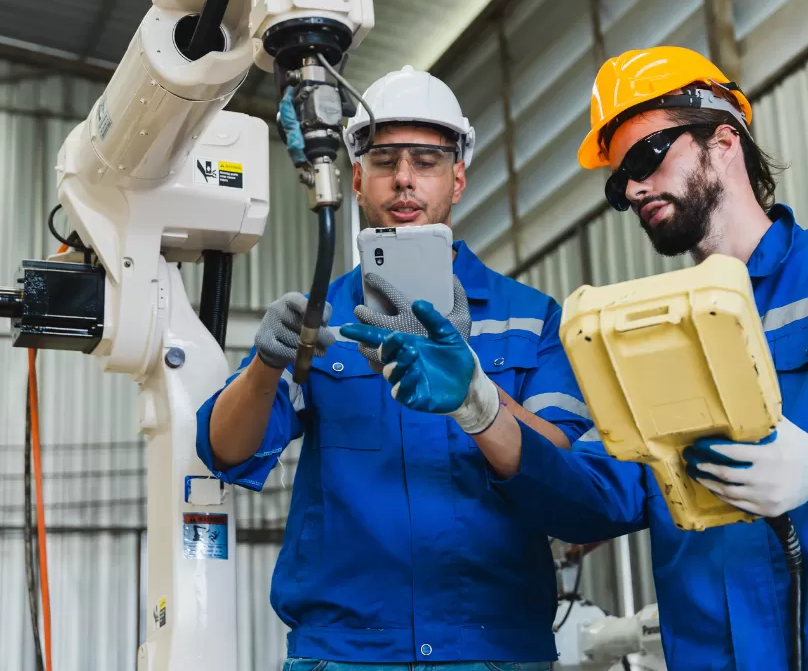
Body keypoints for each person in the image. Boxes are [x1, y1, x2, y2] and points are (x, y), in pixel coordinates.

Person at [341, 48, 808, 670]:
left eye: (646, 158)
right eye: (619, 185)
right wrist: (481, 406)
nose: (633, 191)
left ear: (723, 140)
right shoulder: (641, 334)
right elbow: (592, 501)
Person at [195, 65, 593, 670]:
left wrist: (476, 390)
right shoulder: (322, 320)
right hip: (348, 653)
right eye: (384, 159)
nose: (404, 179)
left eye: (427, 161)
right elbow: (225, 449)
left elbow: (564, 467)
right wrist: (266, 366)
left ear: (457, 178)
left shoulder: (528, 319)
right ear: (355, 178)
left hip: (492, 650)